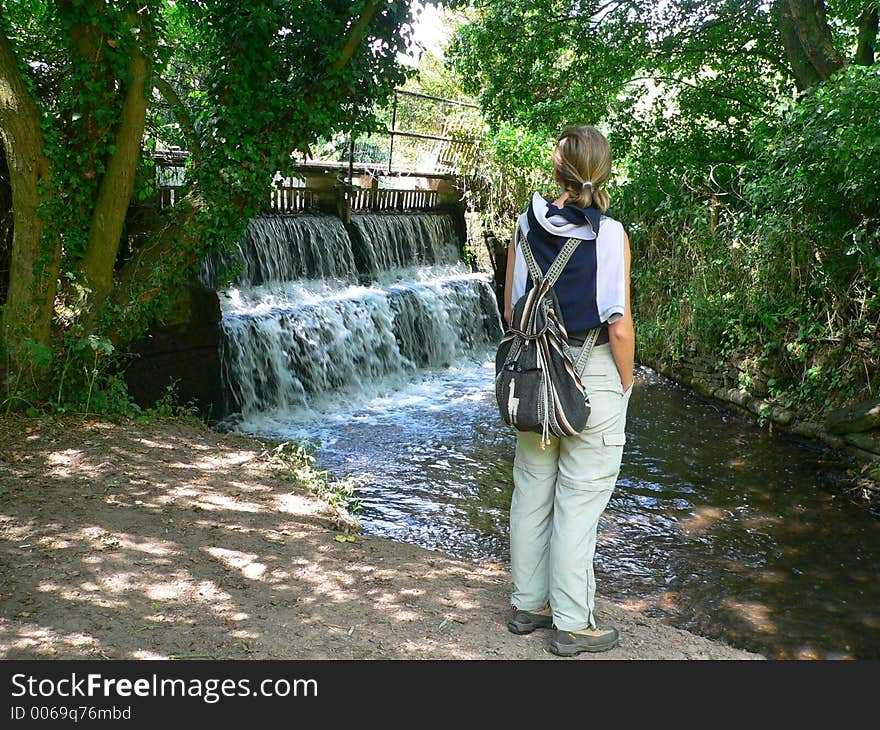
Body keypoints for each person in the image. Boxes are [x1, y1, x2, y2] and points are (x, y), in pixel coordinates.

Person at [502, 124, 634, 656]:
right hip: (592, 372)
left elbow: (512, 311)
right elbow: (619, 325)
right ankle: (574, 622)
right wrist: (626, 383)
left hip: (537, 374)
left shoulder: (523, 224)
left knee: (532, 490)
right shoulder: (609, 234)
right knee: (579, 501)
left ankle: (528, 604)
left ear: (556, 171)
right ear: (603, 174)